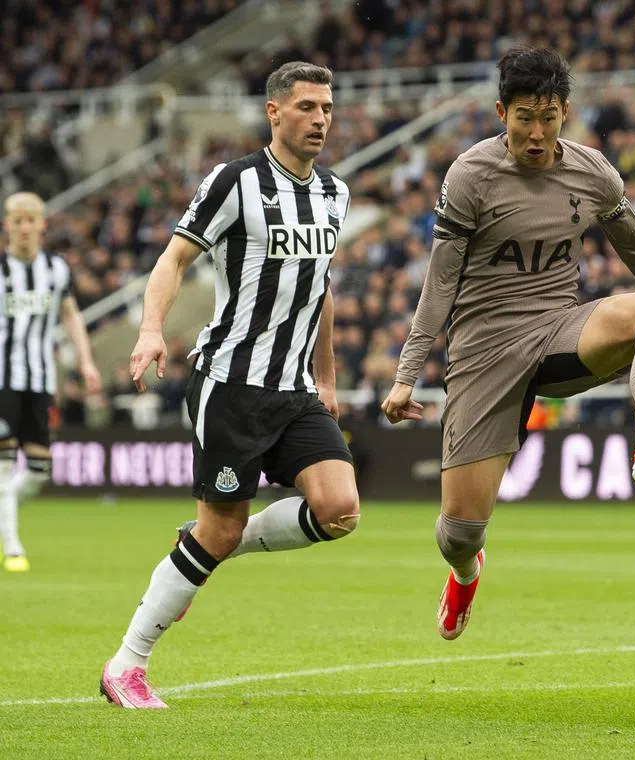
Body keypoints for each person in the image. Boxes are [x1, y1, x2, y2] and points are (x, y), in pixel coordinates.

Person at [381, 47, 635, 641]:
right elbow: (440, 280)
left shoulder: (594, 171)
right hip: (483, 354)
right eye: (524, 117)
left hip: (560, 329)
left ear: (565, 114)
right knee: (459, 532)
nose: (537, 132)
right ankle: (466, 573)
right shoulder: (470, 176)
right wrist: (408, 373)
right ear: (501, 111)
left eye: (549, 117)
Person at [100, 61, 358, 709]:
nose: (320, 119)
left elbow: (318, 288)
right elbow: (175, 257)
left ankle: (209, 542)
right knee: (217, 530)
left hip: (294, 387)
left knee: (339, 510)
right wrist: (151, 330)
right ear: (274, 113)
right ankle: (126, 665)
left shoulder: (335, 194)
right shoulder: (234, 183)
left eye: (326, 107)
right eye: (306, 107)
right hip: (230, 383)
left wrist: (326, 376)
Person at [0, 192, 101, 572]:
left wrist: (86, 362)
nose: (24, 227)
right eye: (17, 220)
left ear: (42, 224)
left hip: (40, 379)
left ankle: (4, 515)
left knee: (40, 470)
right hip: (3, 380)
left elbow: (71, 316)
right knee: (5, 464)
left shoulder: (56, 270)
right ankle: (12, 548)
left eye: (31, 220)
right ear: (7, 224)